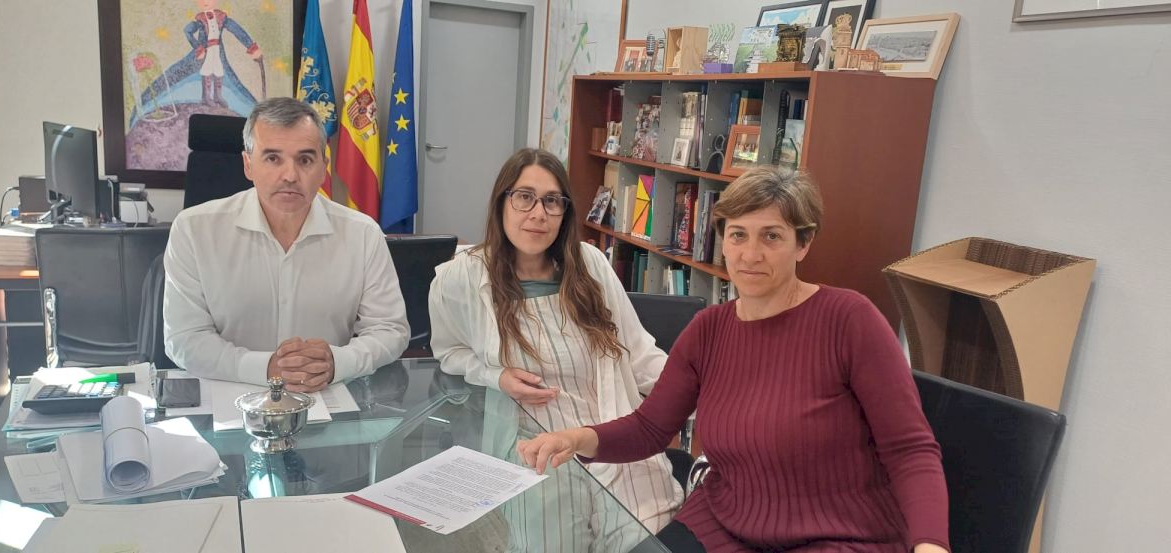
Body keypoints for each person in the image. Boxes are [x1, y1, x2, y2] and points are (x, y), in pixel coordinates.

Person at [517, 167, 950, 553]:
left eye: (772, 236)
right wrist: (577, 438)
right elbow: (651, 428)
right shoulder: (709, 330)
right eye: (738, 235)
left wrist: (930, 543)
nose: (750, 254)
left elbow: (909, 448)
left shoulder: (849, 319)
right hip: (726, 523)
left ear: (803, 244)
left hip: (837, 533)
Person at [429, 148, 683, 550]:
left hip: (614, 440)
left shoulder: (590, 264)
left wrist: (704, 399)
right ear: (501, 203)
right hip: (537, 455)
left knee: (647, 541)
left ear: (565, 212)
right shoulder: (460, 278)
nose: (539, 213)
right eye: (524, 197)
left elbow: (639, 354)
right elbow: (449, 352)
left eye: (552, 201)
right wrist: (497, 376)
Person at [164, 97, 409, 392]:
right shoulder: (194, 229)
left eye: (305, 160)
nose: (290, 176)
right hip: (229, 397)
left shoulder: (363, 234)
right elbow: (184, 338)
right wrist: (265, 367)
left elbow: (389, 329)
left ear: (323, 167)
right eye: (272, 158)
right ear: (248, 165)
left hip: (326, 397)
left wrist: (337, 362)